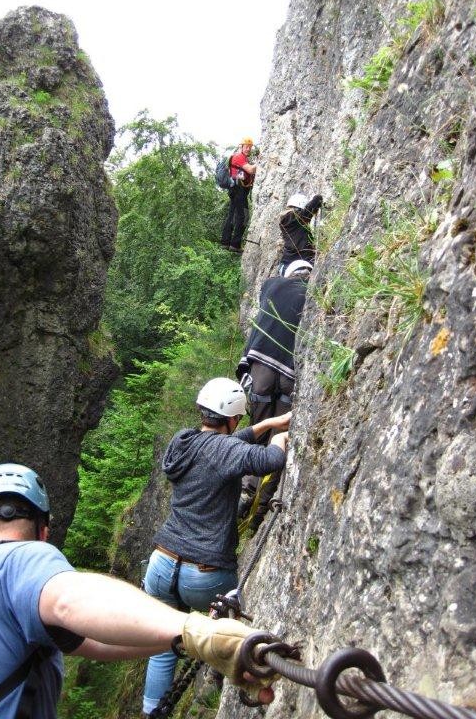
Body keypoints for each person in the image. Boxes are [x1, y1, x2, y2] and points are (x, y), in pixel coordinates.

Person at [0, 462, 277, 718]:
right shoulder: (19, 558)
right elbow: (71, 602)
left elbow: (97, 641)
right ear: (44, 532)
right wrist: (198, 631)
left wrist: (193, 639)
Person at [142, 378, 290, 716]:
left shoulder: (182, 442)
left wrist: (266, 424)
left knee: (163, 646)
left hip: (162, 564)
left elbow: (222, 447)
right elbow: (267, 461)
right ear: (234, 417)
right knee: (232, 634)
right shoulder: (225, 450)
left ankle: (152, 713)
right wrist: (280, 439)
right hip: (205, 574)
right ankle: (250, 689)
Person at [236, 259, 312, 529]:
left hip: (263, 366)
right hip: (291, 373)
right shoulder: (315, 291)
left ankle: (245, 491)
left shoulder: (272, 284)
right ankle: (260, 513)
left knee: (257, 428)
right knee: (279, 437)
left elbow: (263, 300)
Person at [221, 137, 257, 253]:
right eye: (246, 147)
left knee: (233, 215)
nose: (248, 149)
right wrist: (261, 162)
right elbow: (251, 170)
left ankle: (226, 243)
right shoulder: (238, 157)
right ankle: (234, 244)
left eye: (250, 147)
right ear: (241, 146)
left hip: (238, 190)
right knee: (242, 216)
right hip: (237, 190)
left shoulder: (243, 158)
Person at [278, 191, 323, 275]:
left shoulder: (291, 222)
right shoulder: (290, 217)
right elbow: (307, 213)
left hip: (289, 264)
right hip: (296, 266)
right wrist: (317, 198)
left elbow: (306, 216)